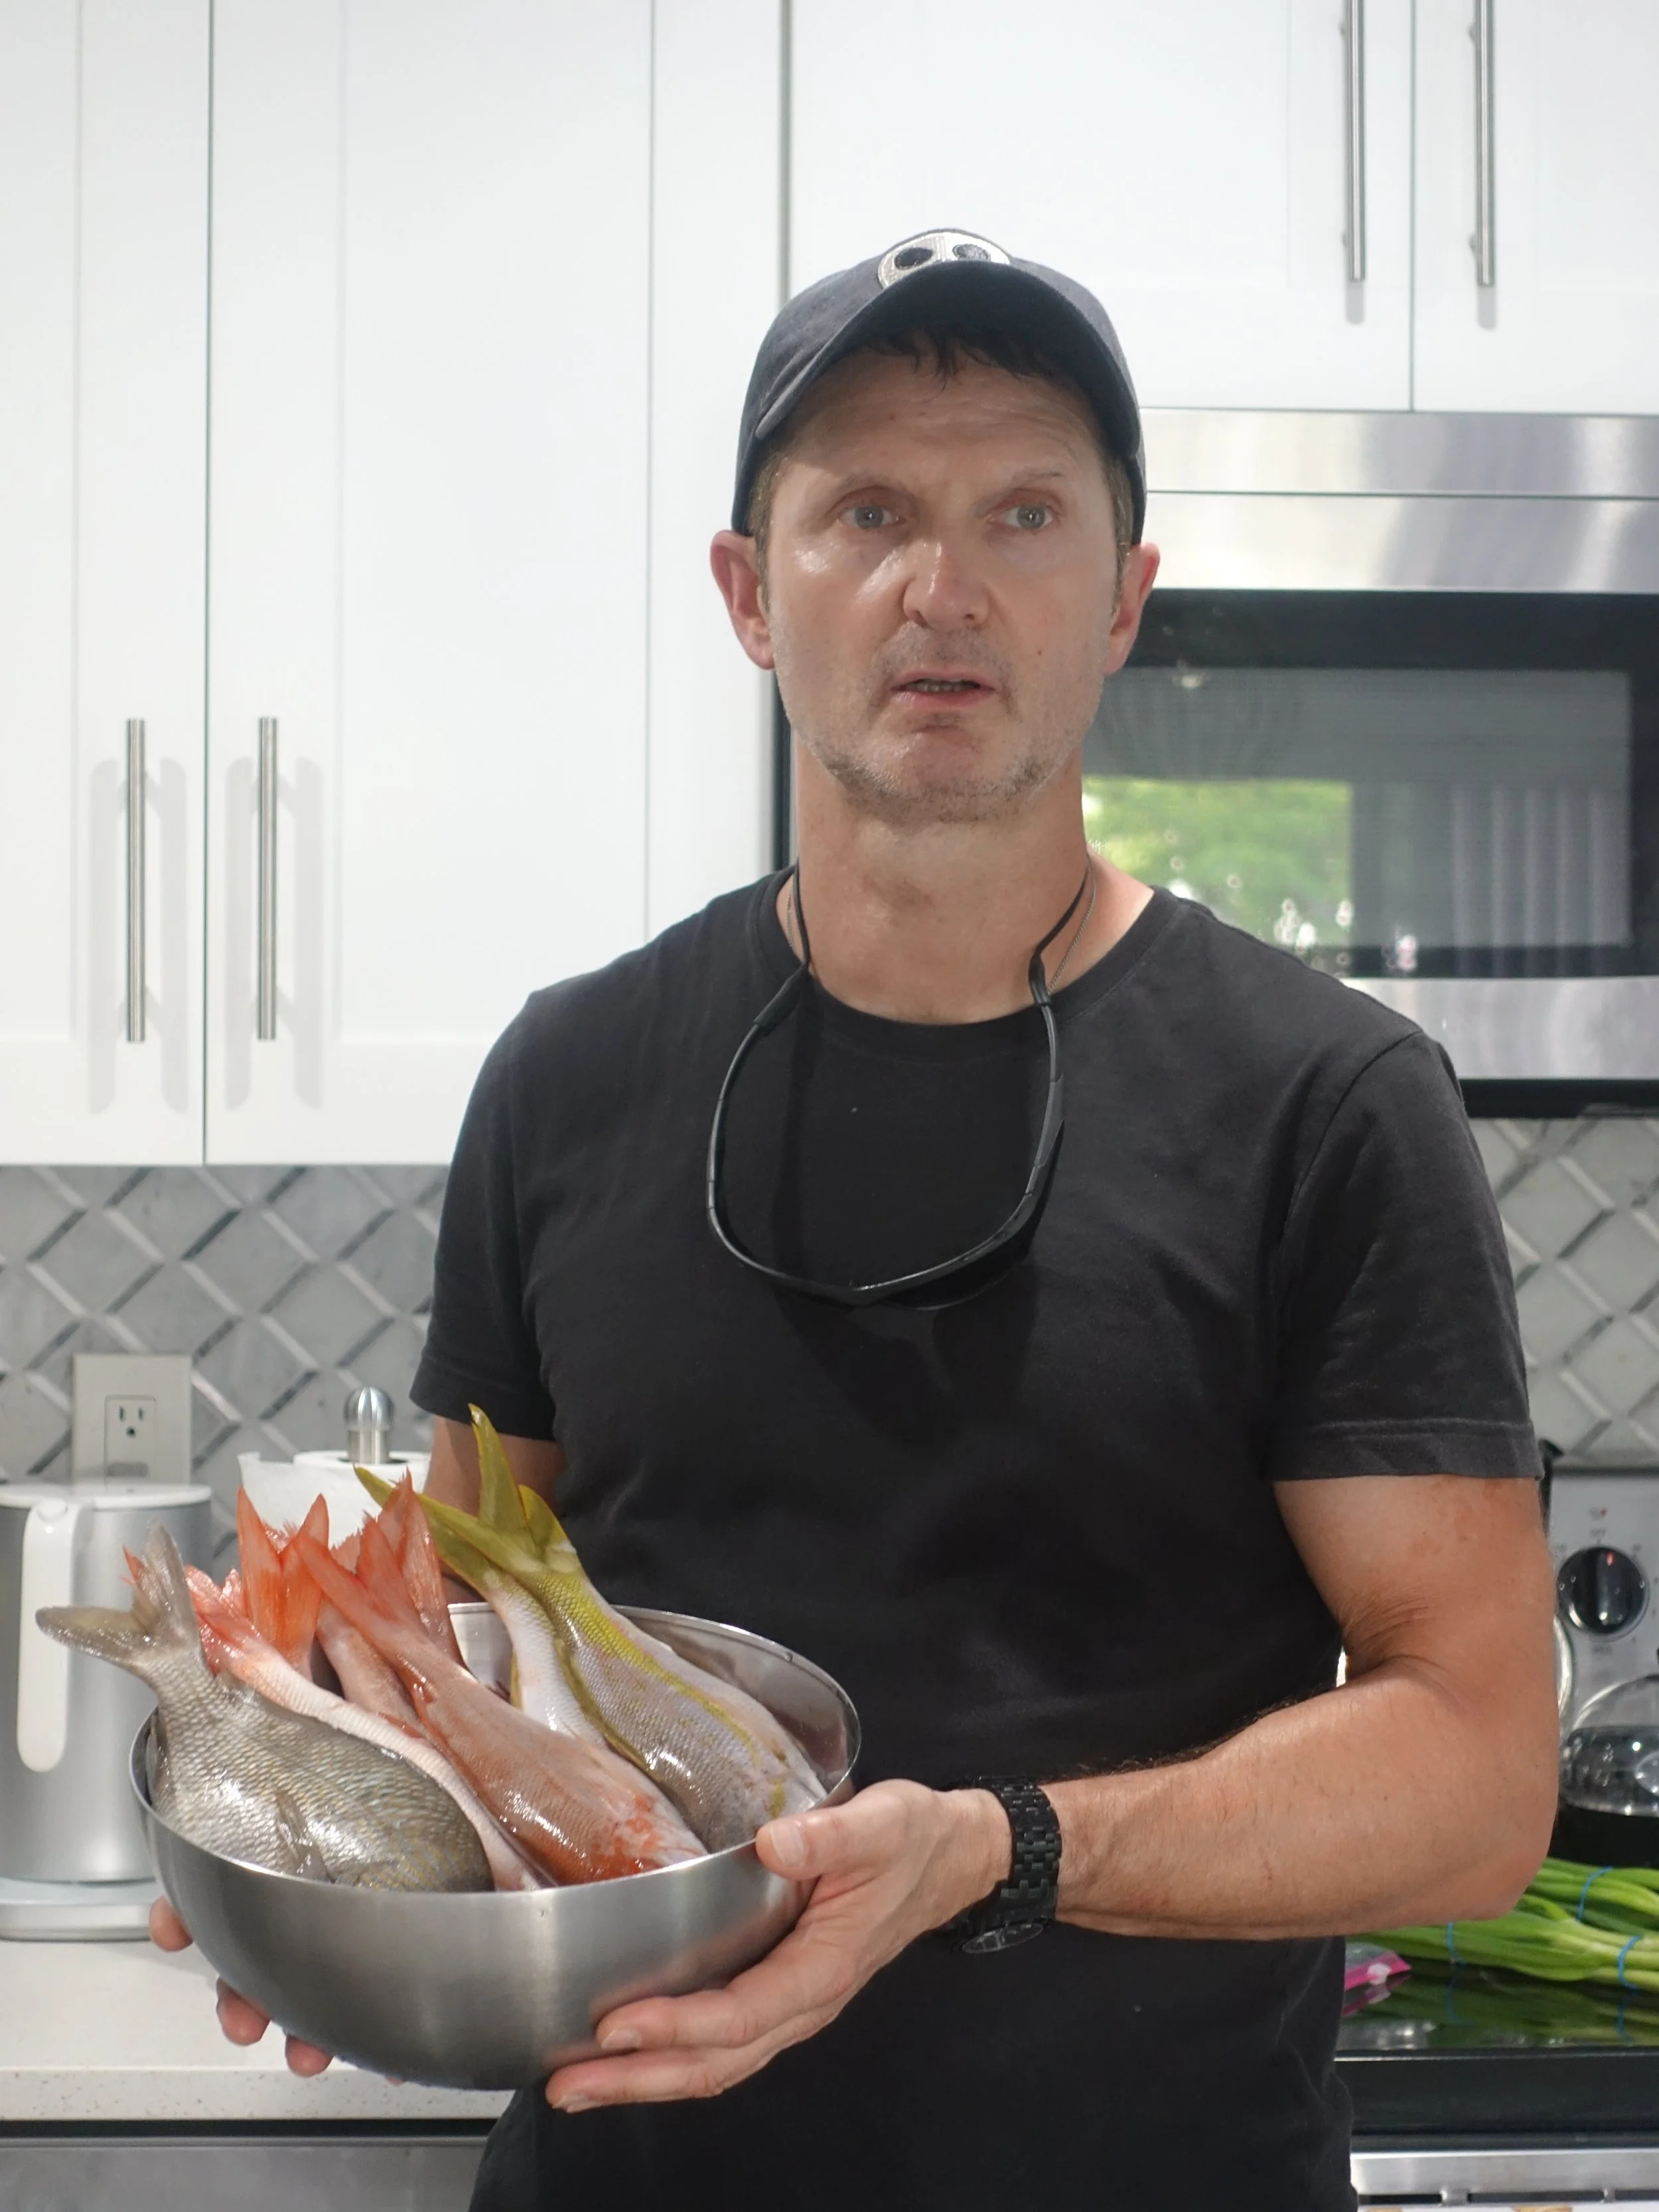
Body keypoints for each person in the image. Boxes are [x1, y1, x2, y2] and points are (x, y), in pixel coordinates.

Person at [159, 230, 1558, 2210]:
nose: (942, 586)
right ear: (750, 592)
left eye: (1023, 514)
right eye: (869, 512)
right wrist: (325, 1869)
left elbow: (1479, 1777)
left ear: (1125, 599)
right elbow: (448, 1644)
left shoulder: (1328, 1104)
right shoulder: (568, 1078)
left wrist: (996, 1850)